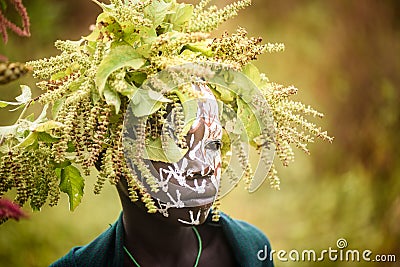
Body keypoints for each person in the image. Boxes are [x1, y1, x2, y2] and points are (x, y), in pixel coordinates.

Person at [50, 83, 274, 267]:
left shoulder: (253, 249)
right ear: (107, 160)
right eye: (173, 147)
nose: (203, 167)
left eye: (213, 144)